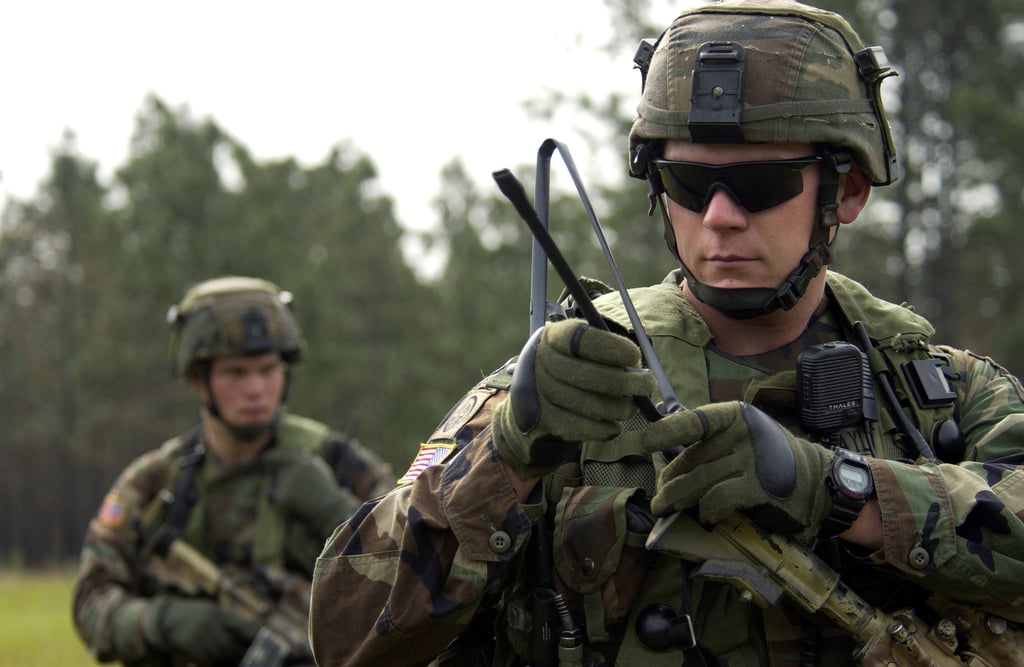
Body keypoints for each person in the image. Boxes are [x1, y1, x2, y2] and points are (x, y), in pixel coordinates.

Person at [308, 1, 1024, 665]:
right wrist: (507, 453)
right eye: (687, 184)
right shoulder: (572, 383)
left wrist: (833, 489)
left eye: (762, 184)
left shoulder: (942, 393)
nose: (718, 217)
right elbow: (341, 631)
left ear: (850, 191)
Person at [72, 275, 395, 666]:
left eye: (268, 369)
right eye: (236, 373)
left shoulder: (338, 464)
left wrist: (340, 512)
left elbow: (418, 574)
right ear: (197, 379)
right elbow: (90, 603)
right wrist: (161, 621)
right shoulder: (156, 483)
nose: (256, 389)